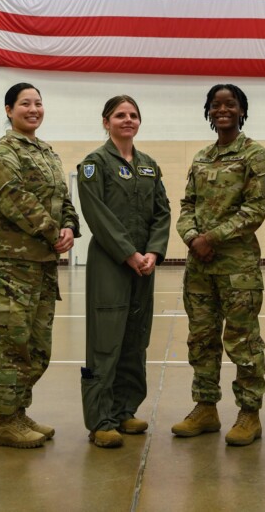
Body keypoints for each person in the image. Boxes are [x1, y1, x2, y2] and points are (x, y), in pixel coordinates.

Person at [172, 84, 265, 447]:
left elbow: (254, 210)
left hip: (237, 268)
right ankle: (205, 407)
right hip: (199, 268)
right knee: (201, 338)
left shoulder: (255, 156)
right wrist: (190, 237)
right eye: (215, 105)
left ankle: (249, 414)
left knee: (242, 340)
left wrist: (210, 238)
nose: (222, 110)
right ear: (208, 111)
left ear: (242, 110)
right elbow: (186, 204)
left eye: (230, 104)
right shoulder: (201, 157)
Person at [0, 82, 80, 449]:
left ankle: (18, 411)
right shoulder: (1, 152)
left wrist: (69, 226)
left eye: (38, 103)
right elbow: (13, 199)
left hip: (43, 265)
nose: (33, 109)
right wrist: (54, 233)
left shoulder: (47, 153)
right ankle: (4, 421)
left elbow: (63, 198)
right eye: (25, 103)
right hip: (11, 267)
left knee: (38, 348)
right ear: (9, 110)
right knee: (11, 345)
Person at [77, 95, 171, 448]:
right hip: (110, 264)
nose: (127, 120)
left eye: (133, 115)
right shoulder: (94, 164)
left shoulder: (148, 165)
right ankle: (100, 418)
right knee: (105, 340)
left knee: (135, 336)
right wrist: (128, 252)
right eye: (120, 115)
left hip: (144, 267)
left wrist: (152, 251)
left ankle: (125, 409)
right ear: (106, 121)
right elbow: (97, 214)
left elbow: (162, 211)